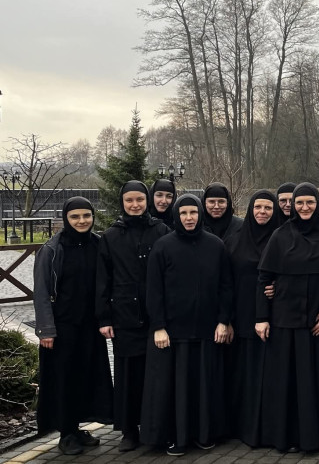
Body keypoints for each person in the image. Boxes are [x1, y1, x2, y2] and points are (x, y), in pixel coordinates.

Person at [256, 183, 319, 453]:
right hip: (285, 323)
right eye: (299, 203)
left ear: (318, 204)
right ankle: (287, 437)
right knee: (287, 382)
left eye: (310, 202)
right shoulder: (280, 236)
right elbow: (264, 277)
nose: (304, 207)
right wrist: (262, 317)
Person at [140, 194, 233, 456]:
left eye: (193, 212)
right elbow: (154, 290)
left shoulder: (215, 245)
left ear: (200, 214)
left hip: (206, 331)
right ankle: (175, 437)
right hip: (172, 333)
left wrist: (223, 321)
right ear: (177, 216)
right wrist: (158, 326)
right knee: (174, 389)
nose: (189, 218)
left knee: (203, 387)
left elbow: (226, 286)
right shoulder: (163, 246)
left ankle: (203, 434)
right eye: (184, 213)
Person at [34, 197, 113, 455]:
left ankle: (77, 428)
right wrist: (46, 329)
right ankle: (66, 433)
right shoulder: (52, 249)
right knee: (63, 380)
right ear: (66, 219)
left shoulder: (98, 244)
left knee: (85, 378)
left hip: (90, 326)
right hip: (62, 327)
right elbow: (41, 291)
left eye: (86, 216)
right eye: (75, 217)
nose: (82, 221)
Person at [96, 180, 170, 452]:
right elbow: (102, 280)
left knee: (155, 374)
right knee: (127, 375)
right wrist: (104, 318)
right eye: (129, 200)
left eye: (140, 199)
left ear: (147, 201)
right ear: (123, 202)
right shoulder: (111, 236)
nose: (135, 205)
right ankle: (129, 430)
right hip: (124, 315)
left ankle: (156, 428)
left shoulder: (161, 231)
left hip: (155, 315)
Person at [223, 190, 280, 446]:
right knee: (243, 375)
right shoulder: (234, 240)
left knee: (269, 376)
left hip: (274, 318)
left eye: (268, 208)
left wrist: (280, 286)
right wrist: (226, 319)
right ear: (250, 209)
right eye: (258, 207)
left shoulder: (282, 239)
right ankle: (242, 427)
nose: (262, 212)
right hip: (241, 317)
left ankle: (268, 428)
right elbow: (225, 282)